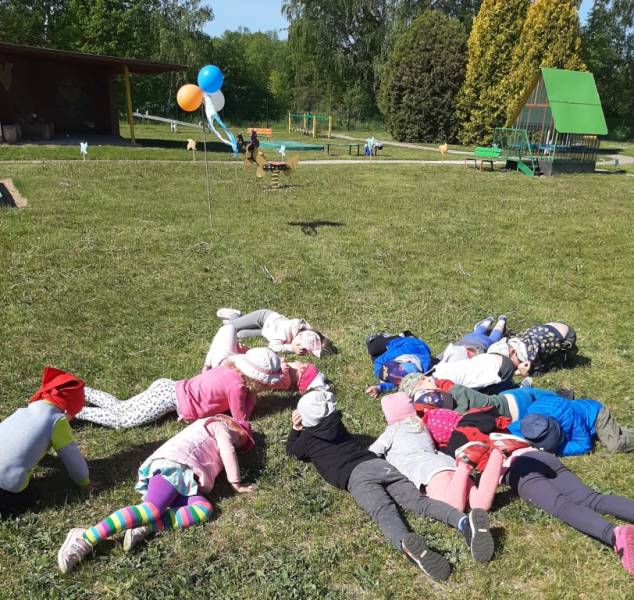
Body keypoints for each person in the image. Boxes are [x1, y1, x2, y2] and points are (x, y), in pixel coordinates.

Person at [286, 390, 495, 581]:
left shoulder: (307, 439)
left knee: (383, 510)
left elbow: (292, 451)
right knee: (419, 501)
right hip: (378, 464)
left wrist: (296, 429)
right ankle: (463, 522)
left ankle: (406, 542)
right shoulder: (337, 425)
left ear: (306, 419)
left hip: (356, 477)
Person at [57, 414, 257, 573]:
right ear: (228, 421)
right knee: (151, 509)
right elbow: (227, 450)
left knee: (203, 509)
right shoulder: (217, 425)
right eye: (240, 437)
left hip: (186, 480)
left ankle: (146, 525)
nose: (237, 443)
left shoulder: (215, 433)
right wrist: (236, 482)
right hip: (173, 466)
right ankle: (86, 537)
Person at [403, 380, 634, 456]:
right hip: (522, 397)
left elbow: (583, 444)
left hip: (594, 415)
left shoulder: (572, 420)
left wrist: (558, 449)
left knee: (615, 443)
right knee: (615, 433)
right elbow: (514, 431)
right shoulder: (532, 415)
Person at [76, 347, 281, 429]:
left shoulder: (228, 368)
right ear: (257, 381)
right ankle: (77, 411)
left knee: (122, 406)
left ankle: (81, 391)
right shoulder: (237, 388)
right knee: (123, 420)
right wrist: (252, 398)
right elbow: (240, 419)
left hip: (168, 386)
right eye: (266, 384)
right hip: (169, 399)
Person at [503, 448, 634, 576]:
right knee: (592, 499)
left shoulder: (491, 445)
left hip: (517, 468)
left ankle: (614, 535)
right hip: (540, 456)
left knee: (562, 506)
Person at [369, 393, 504, 515]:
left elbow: (372, 452)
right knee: (479, 504)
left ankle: (465, 465)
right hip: (447, 462)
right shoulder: (421, 425)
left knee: (452, 508)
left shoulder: (392, 430)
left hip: (428, 470)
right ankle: (499, 452)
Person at [0, 367, 91, 516]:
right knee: (33, 495)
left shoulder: (21, 412)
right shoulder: (57, 422)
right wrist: (85, 483)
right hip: (6, 488)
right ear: (67, 410)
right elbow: (73, 458)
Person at [203, 324, 330, 393]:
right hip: (235, 364)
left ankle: (207, 366)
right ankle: (209, 366)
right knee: (227, 338)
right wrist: (245, 352)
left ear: (301, 370)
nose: (299, 361)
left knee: (228, 328)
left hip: (226, 363)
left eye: (304, 364)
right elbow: (256, 368)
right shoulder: (282, 378)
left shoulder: (282, 371)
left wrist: (245, 353)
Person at [216, 308, 326, 357]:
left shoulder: (305, 330)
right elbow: (272, 347)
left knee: (239, 334)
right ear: (299, 336)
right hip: (262, 318)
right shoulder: (284, 332)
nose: (301, 352)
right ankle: (234, 314)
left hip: (268, 331)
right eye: (302, 348)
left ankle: (240, 320)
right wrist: (291, 348)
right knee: (229, 327)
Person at [489, 322, 577, 376]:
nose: (506, 366)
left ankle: (567, 353)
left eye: (508, 362)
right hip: (548, 327)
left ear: (514, 352)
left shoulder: (530, 356)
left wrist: (524, 372)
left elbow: (539, 372)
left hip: (567, 335)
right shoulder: (512, 341)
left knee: (550, 362)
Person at [364, 331, 433, 397]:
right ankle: (400, 335)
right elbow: (378, 362)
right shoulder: (397, 353)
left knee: (374, 356)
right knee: (373, 348)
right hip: (400, 343)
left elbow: (396, 382)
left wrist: (379, 387)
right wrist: (380, 373)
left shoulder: (419, 372)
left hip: (411, 353)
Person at [437, 316, 507, 363]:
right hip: (467, 339)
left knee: (494, 339)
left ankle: (501, 322)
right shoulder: (447, 356)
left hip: (485, 344)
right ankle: (488, 321)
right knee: (477, 332)